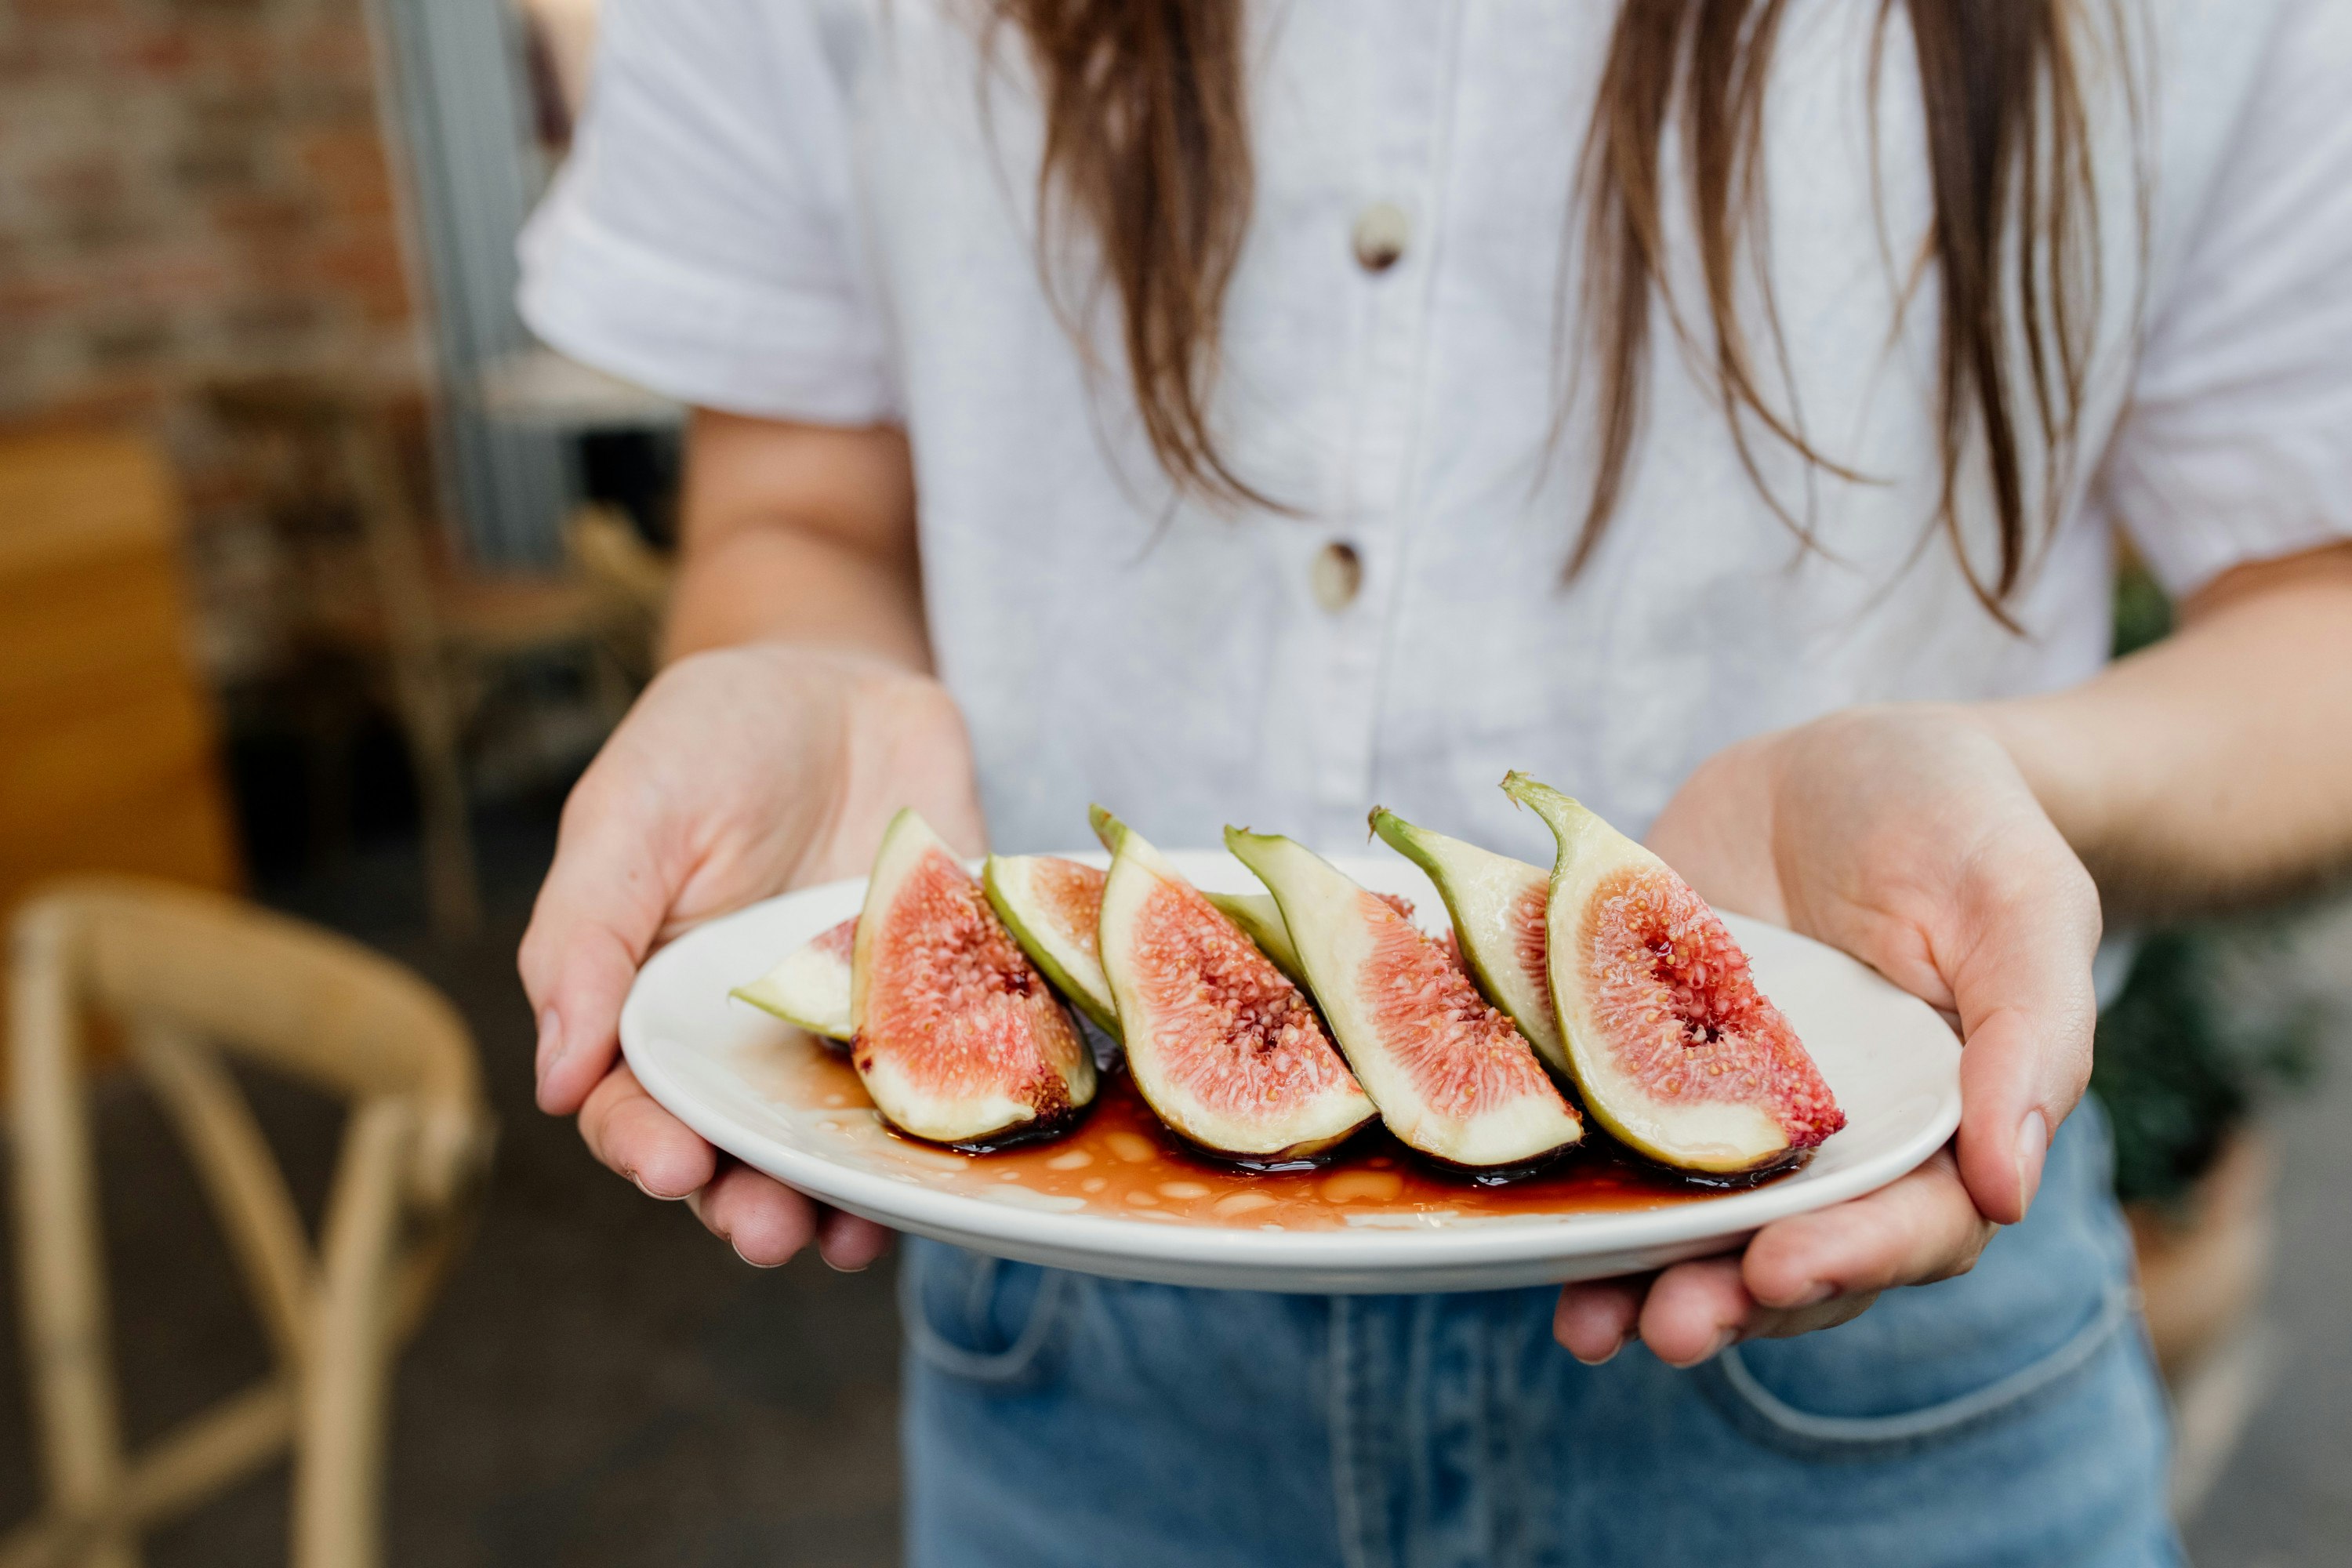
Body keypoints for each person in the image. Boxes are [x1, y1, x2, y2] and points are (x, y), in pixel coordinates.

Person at [514, 2, 2352, 1562]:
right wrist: (810, 680)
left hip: (1871, 1362)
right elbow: (796, 506)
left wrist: (2017, 785)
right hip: (1073, 1339)